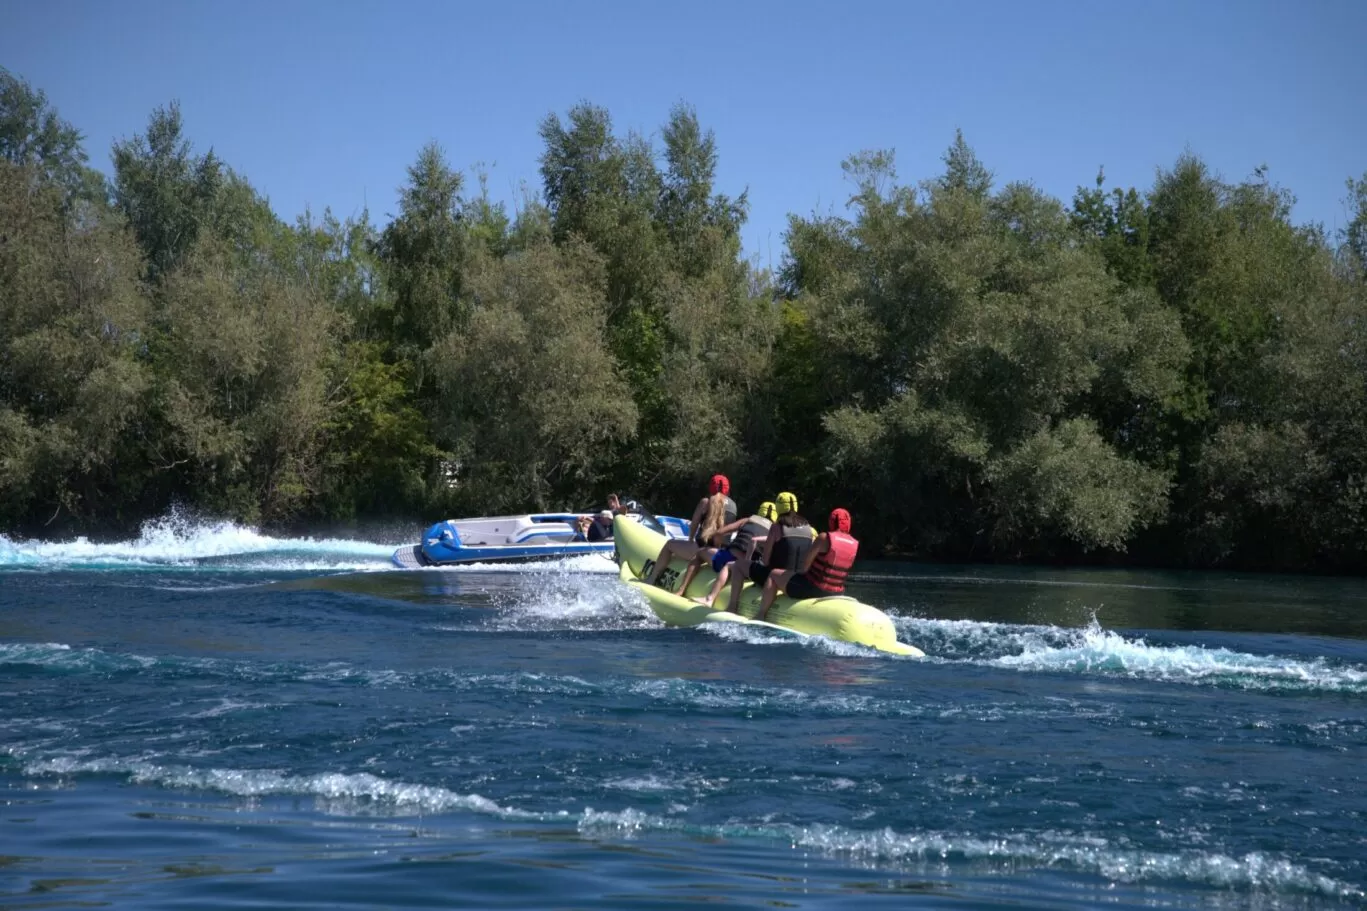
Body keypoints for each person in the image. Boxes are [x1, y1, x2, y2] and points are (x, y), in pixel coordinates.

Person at [715, 491, 814, 614]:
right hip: (796, 579)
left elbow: (766, 560)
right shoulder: (808, 528)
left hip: (774, 577)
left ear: (778, 507)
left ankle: (733, 606)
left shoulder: (777, 527)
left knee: (738, 565)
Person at [758, 508, 859, 621]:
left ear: (831, 522)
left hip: (813, 588)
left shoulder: (824, 538)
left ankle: (761, 615)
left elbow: (805, 567)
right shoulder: (855, 544)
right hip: (838, 592)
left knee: (773, 574)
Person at [644, 474, 737, 587]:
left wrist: (690, 540)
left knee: (669, 544)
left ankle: (652, 578)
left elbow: (694, 524)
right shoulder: (734, 506)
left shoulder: (706, 502)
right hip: (720, 553)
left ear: (711, 488)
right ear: (728, 489)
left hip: (701, 549)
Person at [677, 500, 778, 603]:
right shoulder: (775, 531)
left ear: (760, 511)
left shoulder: (747, 520)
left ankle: (682, 589)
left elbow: (720, 533)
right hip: (750, 568)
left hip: (730, 558)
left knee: (700, 553)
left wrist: (719, 547)